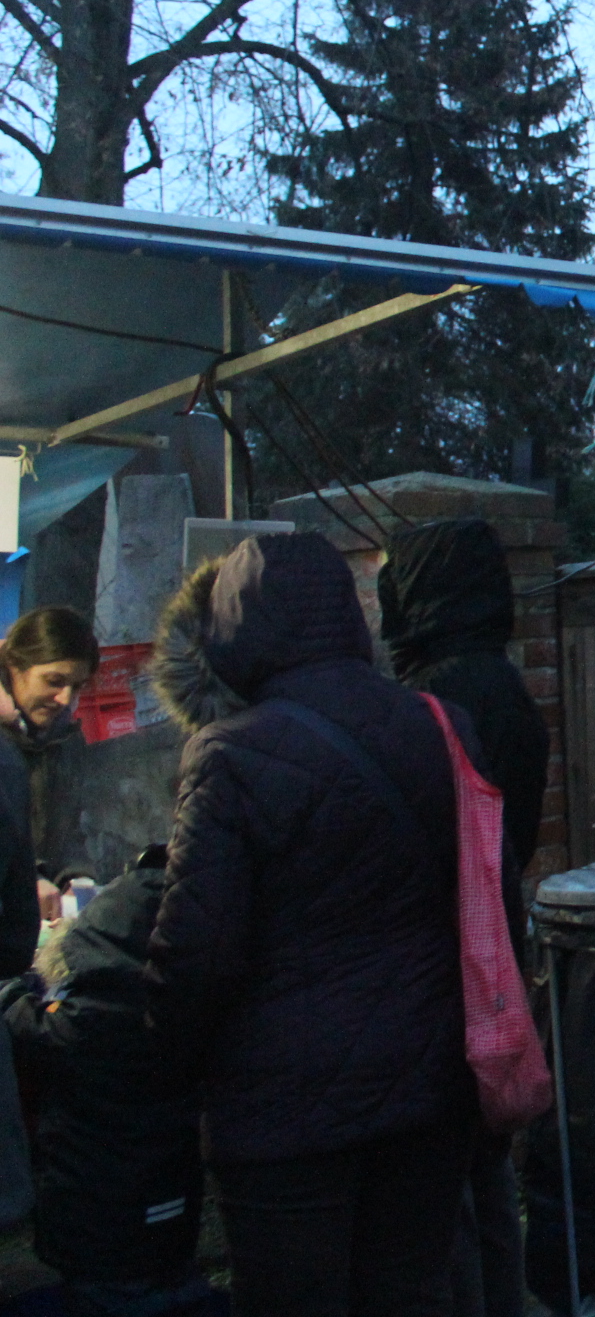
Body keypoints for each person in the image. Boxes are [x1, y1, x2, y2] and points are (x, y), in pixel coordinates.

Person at [145, 532, 478, 1315]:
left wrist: (164, 1062)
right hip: (430, 1083)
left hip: (283, 1112)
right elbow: (482, 900)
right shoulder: (444, 725)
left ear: (233, 628)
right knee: (406, 1298)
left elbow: (199, 951)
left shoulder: (228, 753)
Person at [374, 520, 545, 1317]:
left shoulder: (437, 699)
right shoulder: (503, 685)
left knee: (449, 1186)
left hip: (445, 958)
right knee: (487, 1167)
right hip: (494, 943)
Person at [4, 844, 220, 1317]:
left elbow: (18, 1021)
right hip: (174, 1218)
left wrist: (15, 989)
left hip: (90, 1232)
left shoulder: (74, 1024)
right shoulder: (193, 1016)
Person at [0, 606, 98, 964]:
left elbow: (66, 826)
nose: (65, 699)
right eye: (54, 681)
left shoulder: (64, 739)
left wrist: (74, 877)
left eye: (76, 686)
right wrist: (31, 877)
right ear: (15, 667)